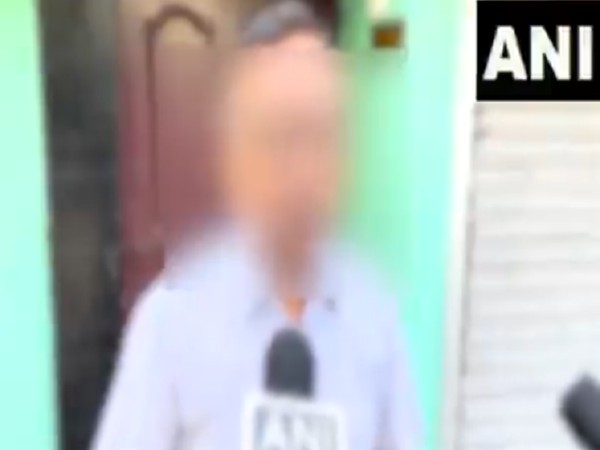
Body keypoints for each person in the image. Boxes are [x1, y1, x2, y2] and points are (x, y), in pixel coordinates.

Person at [92, 1, 422, 449]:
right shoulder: (170, 322)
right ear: (236, 156)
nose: (302, 168)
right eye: (280, 135)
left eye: (320, 134)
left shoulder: (376, 317)